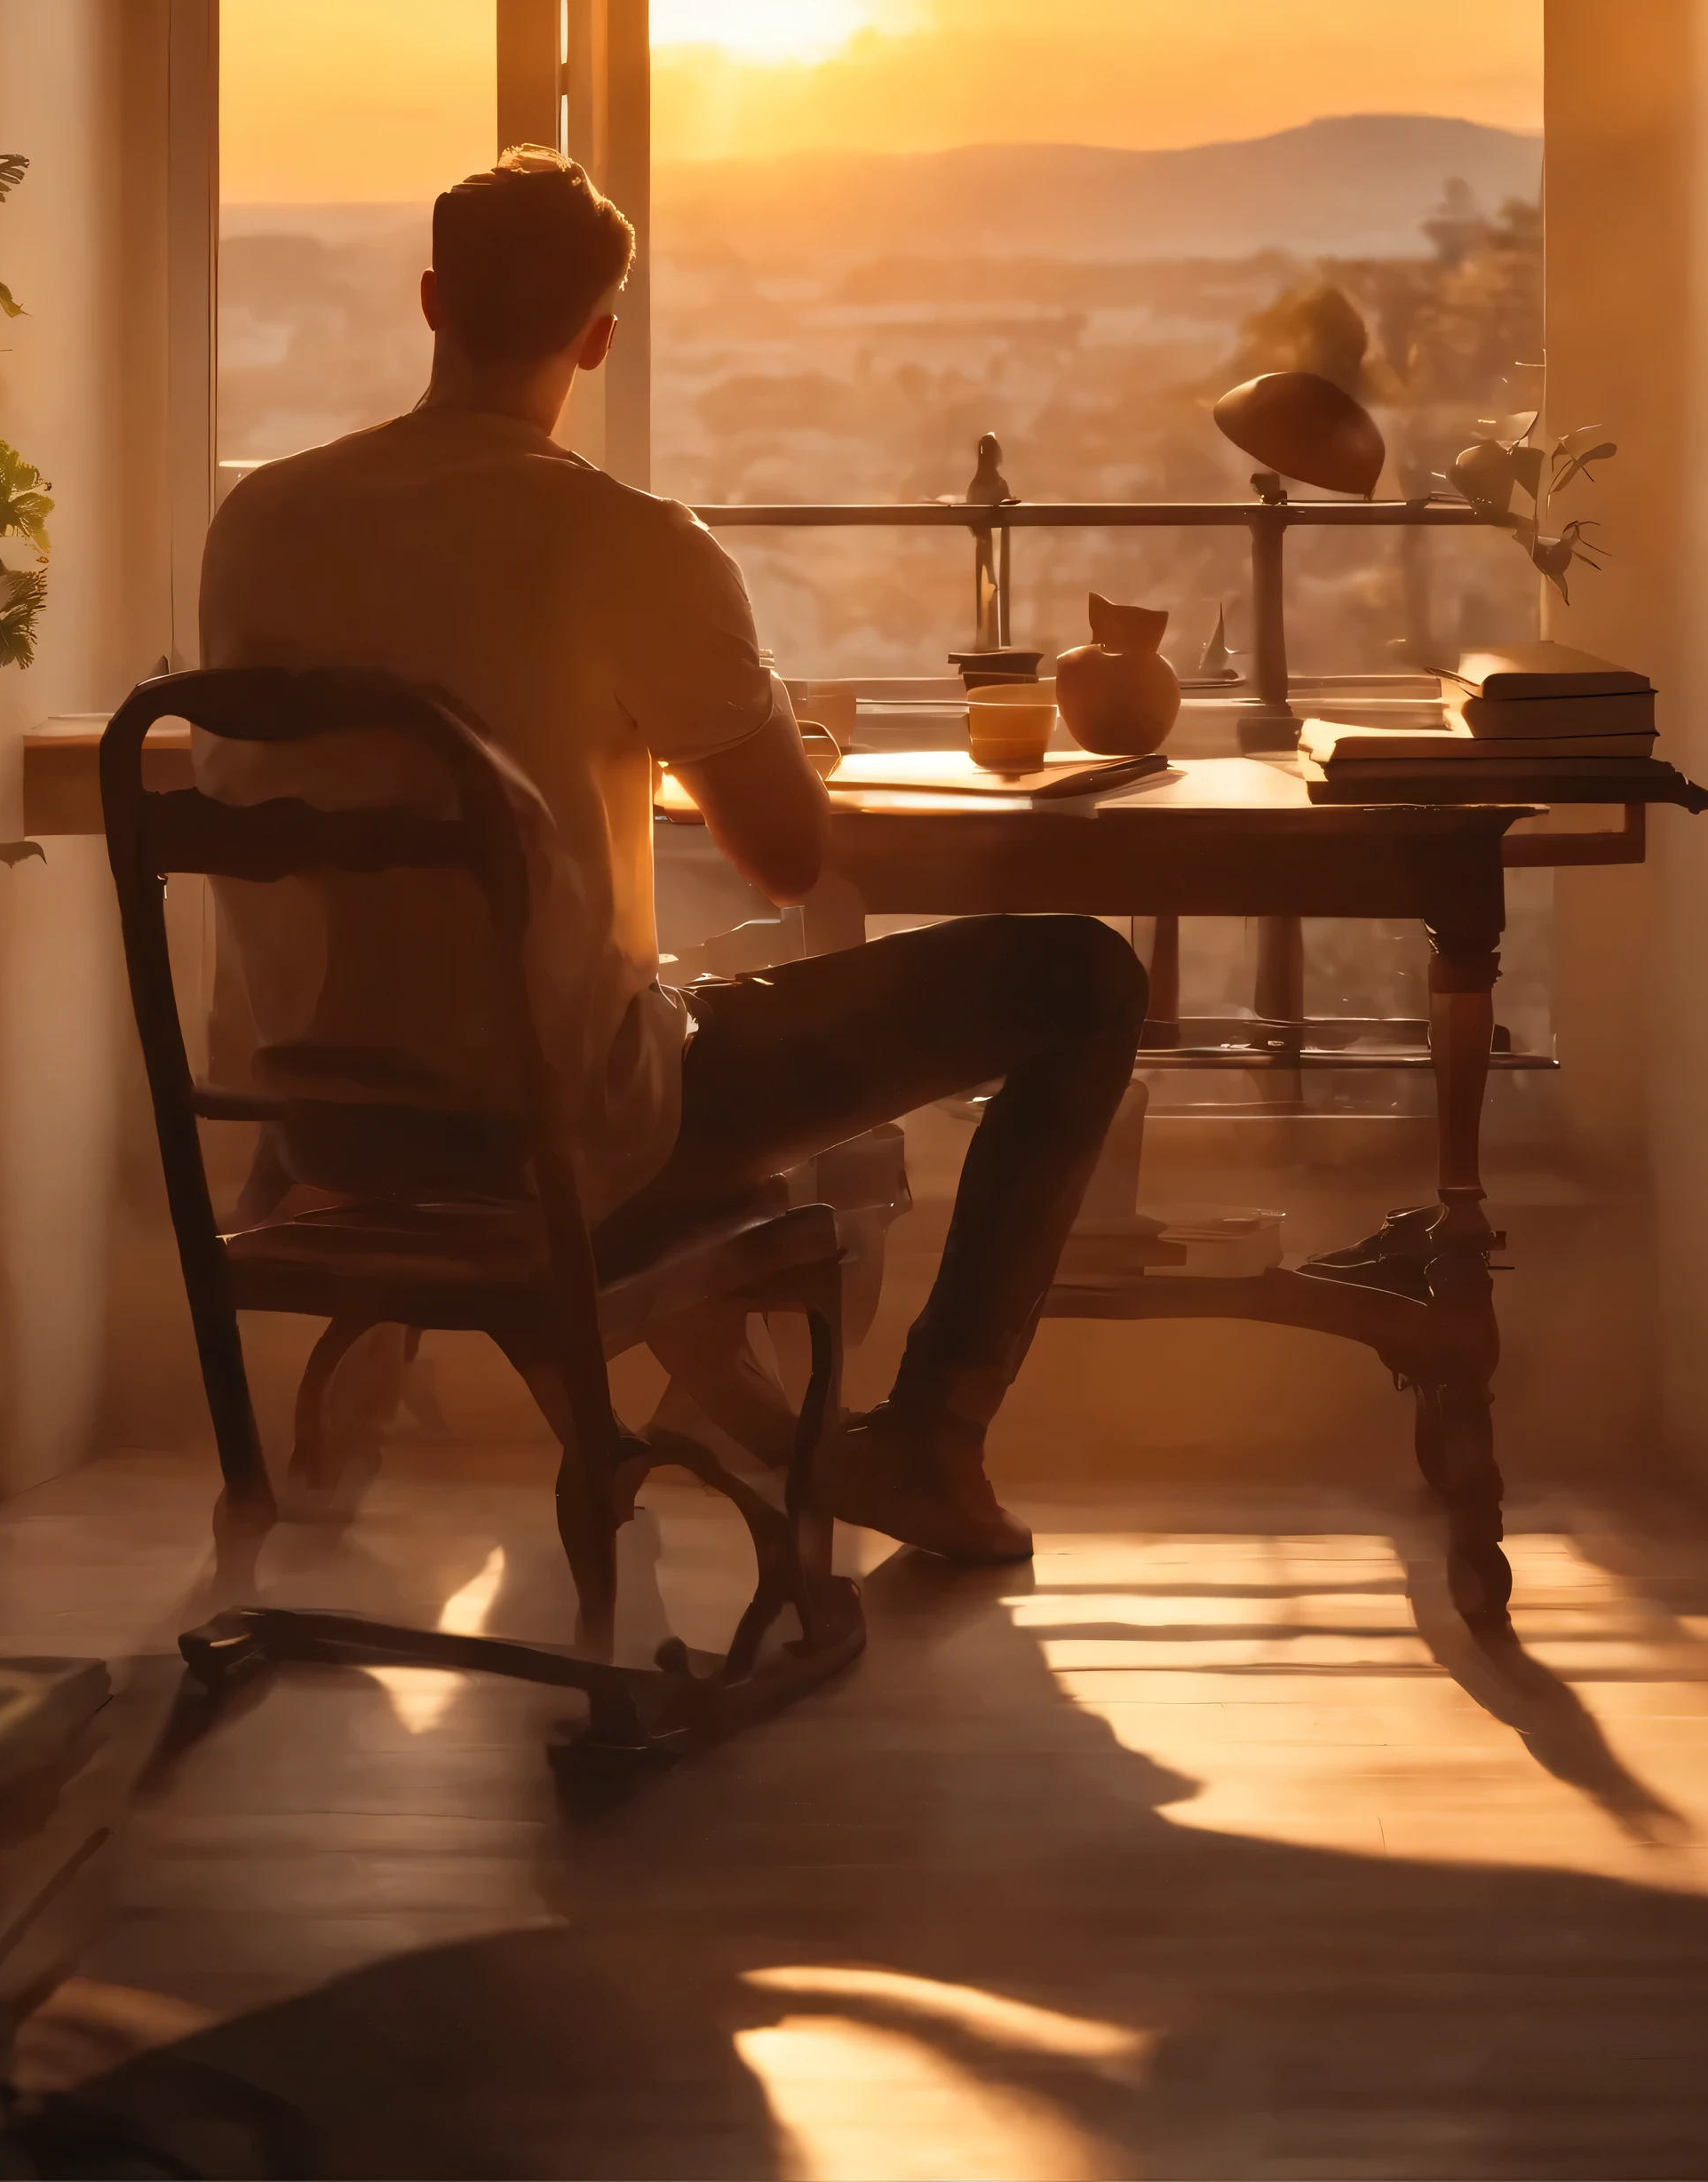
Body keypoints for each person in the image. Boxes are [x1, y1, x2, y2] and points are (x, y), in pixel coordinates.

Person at [198, 147, 1146, 1562]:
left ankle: (723, 1411)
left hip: (320, 1117)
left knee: (672, 984)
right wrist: (715, 721)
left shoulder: (258, 520)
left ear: (431, 301)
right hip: (564, 1129)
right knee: (1078, 976)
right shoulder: (632, 541)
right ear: (599, 336)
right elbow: (782, 852)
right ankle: (931, 1439)